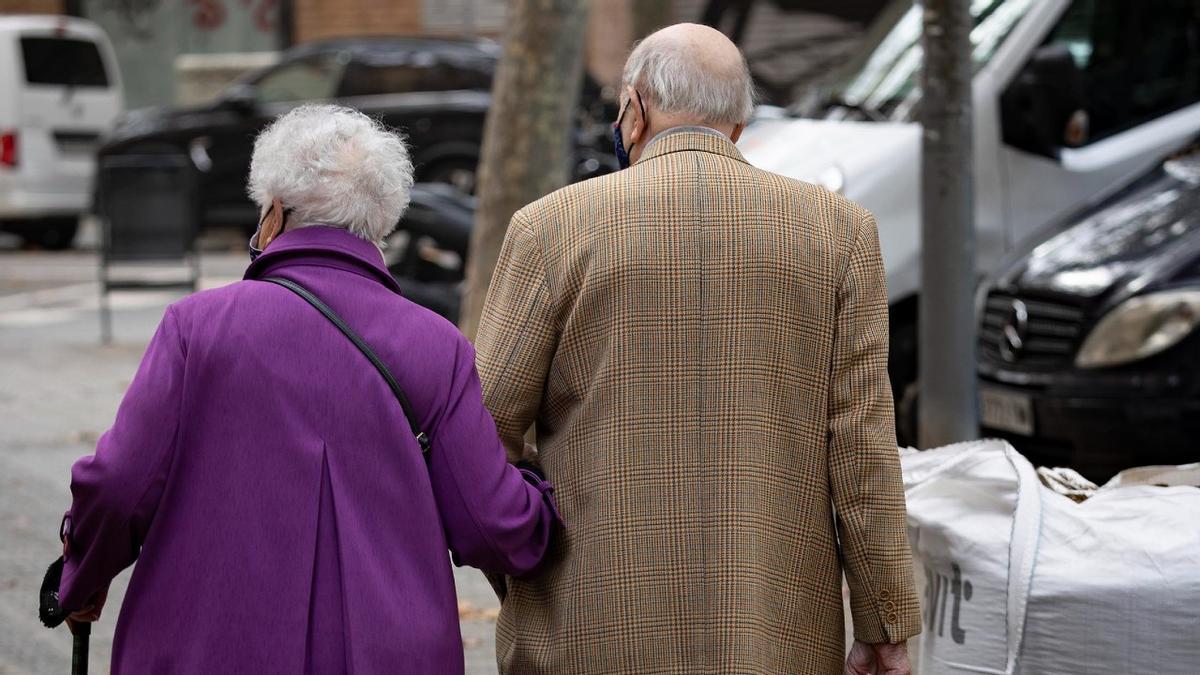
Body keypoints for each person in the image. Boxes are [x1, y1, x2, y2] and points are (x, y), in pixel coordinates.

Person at [474, 23, 920, 674]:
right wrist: (884, 621)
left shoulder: (550, 229)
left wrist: (525, 569)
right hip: (774, 634)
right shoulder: (839, 232)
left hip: (590, 627)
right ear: (738, 124)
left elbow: (486, 436)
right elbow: (861, 447)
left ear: (634, 108)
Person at [55, 104, 559, 674]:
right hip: (385, 654)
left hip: (207, 651)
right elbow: (494, 526)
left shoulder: (197, 328)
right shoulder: (436, 346)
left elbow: (120, 485)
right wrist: (546, 499)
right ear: (382, 222)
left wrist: (80, 577)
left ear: (273, 214)